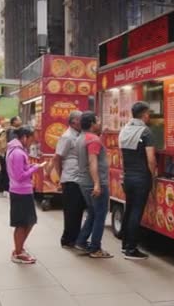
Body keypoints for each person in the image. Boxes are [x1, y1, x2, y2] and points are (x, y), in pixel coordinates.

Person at [119, 101, 157, 260]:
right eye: (148, 113)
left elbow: (122, 157)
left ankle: (125, 244)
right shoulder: (146, 132)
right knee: (136, 212)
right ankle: (131, 249)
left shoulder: (125, 129)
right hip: (141, 177)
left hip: (128, 176)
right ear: (144, 114)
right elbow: (151, 159)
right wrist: (153, 175)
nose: (149, 116)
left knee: (129, 209)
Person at [6, 126, 48, 264]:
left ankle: (19, 249)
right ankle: (18, 252)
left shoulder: (17, 150)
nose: (32, 143)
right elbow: (19, 176)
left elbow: (22, 170)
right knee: (22, 223)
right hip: (20, 191)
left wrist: (34, 166)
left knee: (28, 222)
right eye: (31, 139)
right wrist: (35, 168)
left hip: (22, 190)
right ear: (24, 137)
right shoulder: (17, 153)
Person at [75, 111, 113, 258]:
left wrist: (101, 135)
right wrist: (97, 184)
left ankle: (81, 241)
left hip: (83, 182)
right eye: (97, 120)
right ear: (91, 123)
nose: (99, 122)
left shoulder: (82, 138)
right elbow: (93, 161)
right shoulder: (93, 140)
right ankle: (95, 248)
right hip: (95, 183)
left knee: (92, 213)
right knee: (100, 216)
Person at [50, 110, 86, 249]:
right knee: (71, 211)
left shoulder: (79, 134)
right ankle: (67, 239)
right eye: (80, 119)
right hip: (70, 178)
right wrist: (61, 177)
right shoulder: (67, 136)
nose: (83, 121)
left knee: (78, 210)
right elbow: (57, 157)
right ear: (73, 121)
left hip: (79, 178)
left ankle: (75, 238)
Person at [0, 118, 11, 194]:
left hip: (0, 153)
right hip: (4, 153)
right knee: (6, 171)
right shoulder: (4, 132)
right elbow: (3, 143)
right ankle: (5, 188)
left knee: (3, 170)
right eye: (8, 123)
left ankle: (1, 188)